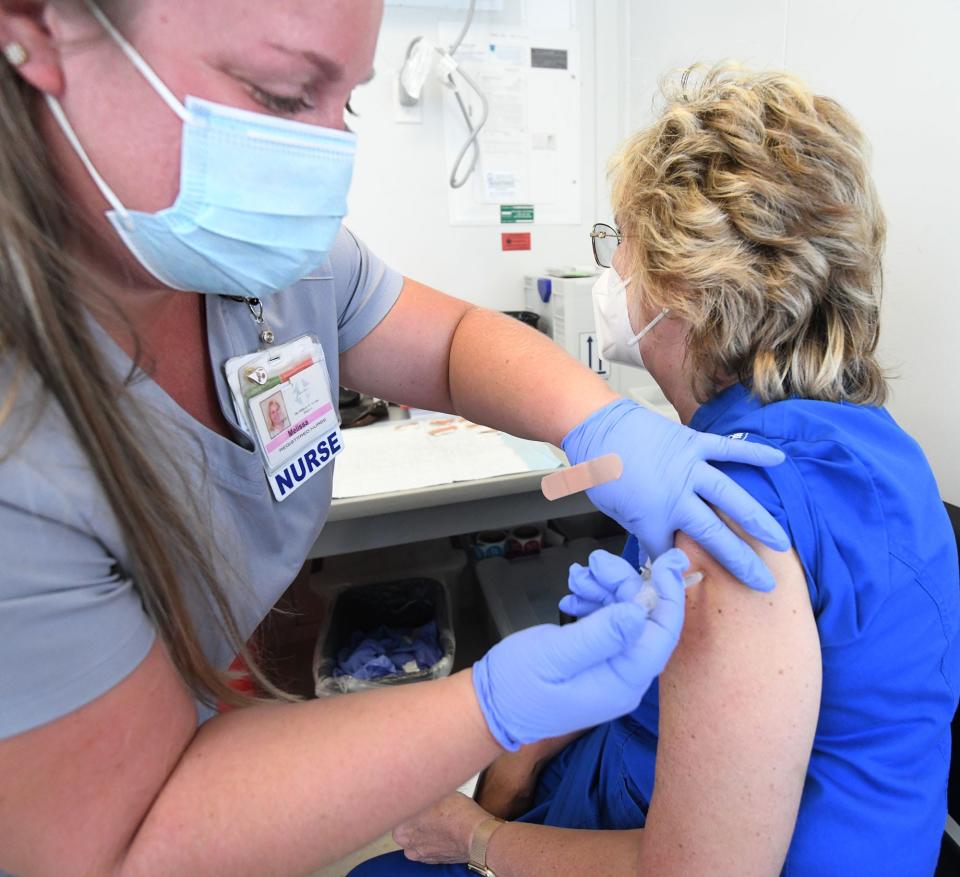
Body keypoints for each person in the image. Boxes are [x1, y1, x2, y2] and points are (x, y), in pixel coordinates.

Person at [0, 3, 792, 875]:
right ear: (36, 28)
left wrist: (600, 419)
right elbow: (126, 837)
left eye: (347, 104)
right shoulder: (20, 443)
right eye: (281, 92)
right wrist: (487, 708)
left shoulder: (266, 261)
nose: (322, 155)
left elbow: (453, 344)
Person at [353, 65, 960, 877]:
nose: (613, 276)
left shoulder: (734, 512)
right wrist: (520, 757)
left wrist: (476, 838)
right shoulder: (867, 443)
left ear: (684, 284)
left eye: (619, 242)